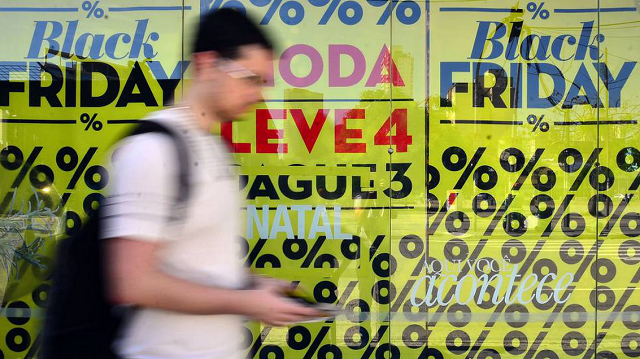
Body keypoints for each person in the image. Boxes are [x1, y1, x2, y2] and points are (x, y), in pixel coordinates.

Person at [100, 8, 321, 359]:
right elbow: (134, 283)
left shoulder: (214, 148)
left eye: (263, 82)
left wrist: (252, 285)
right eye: (250, 78)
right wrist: (245, 300)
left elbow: (197, 263)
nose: (258, 94)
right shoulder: (152, 150)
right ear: (206, 64)